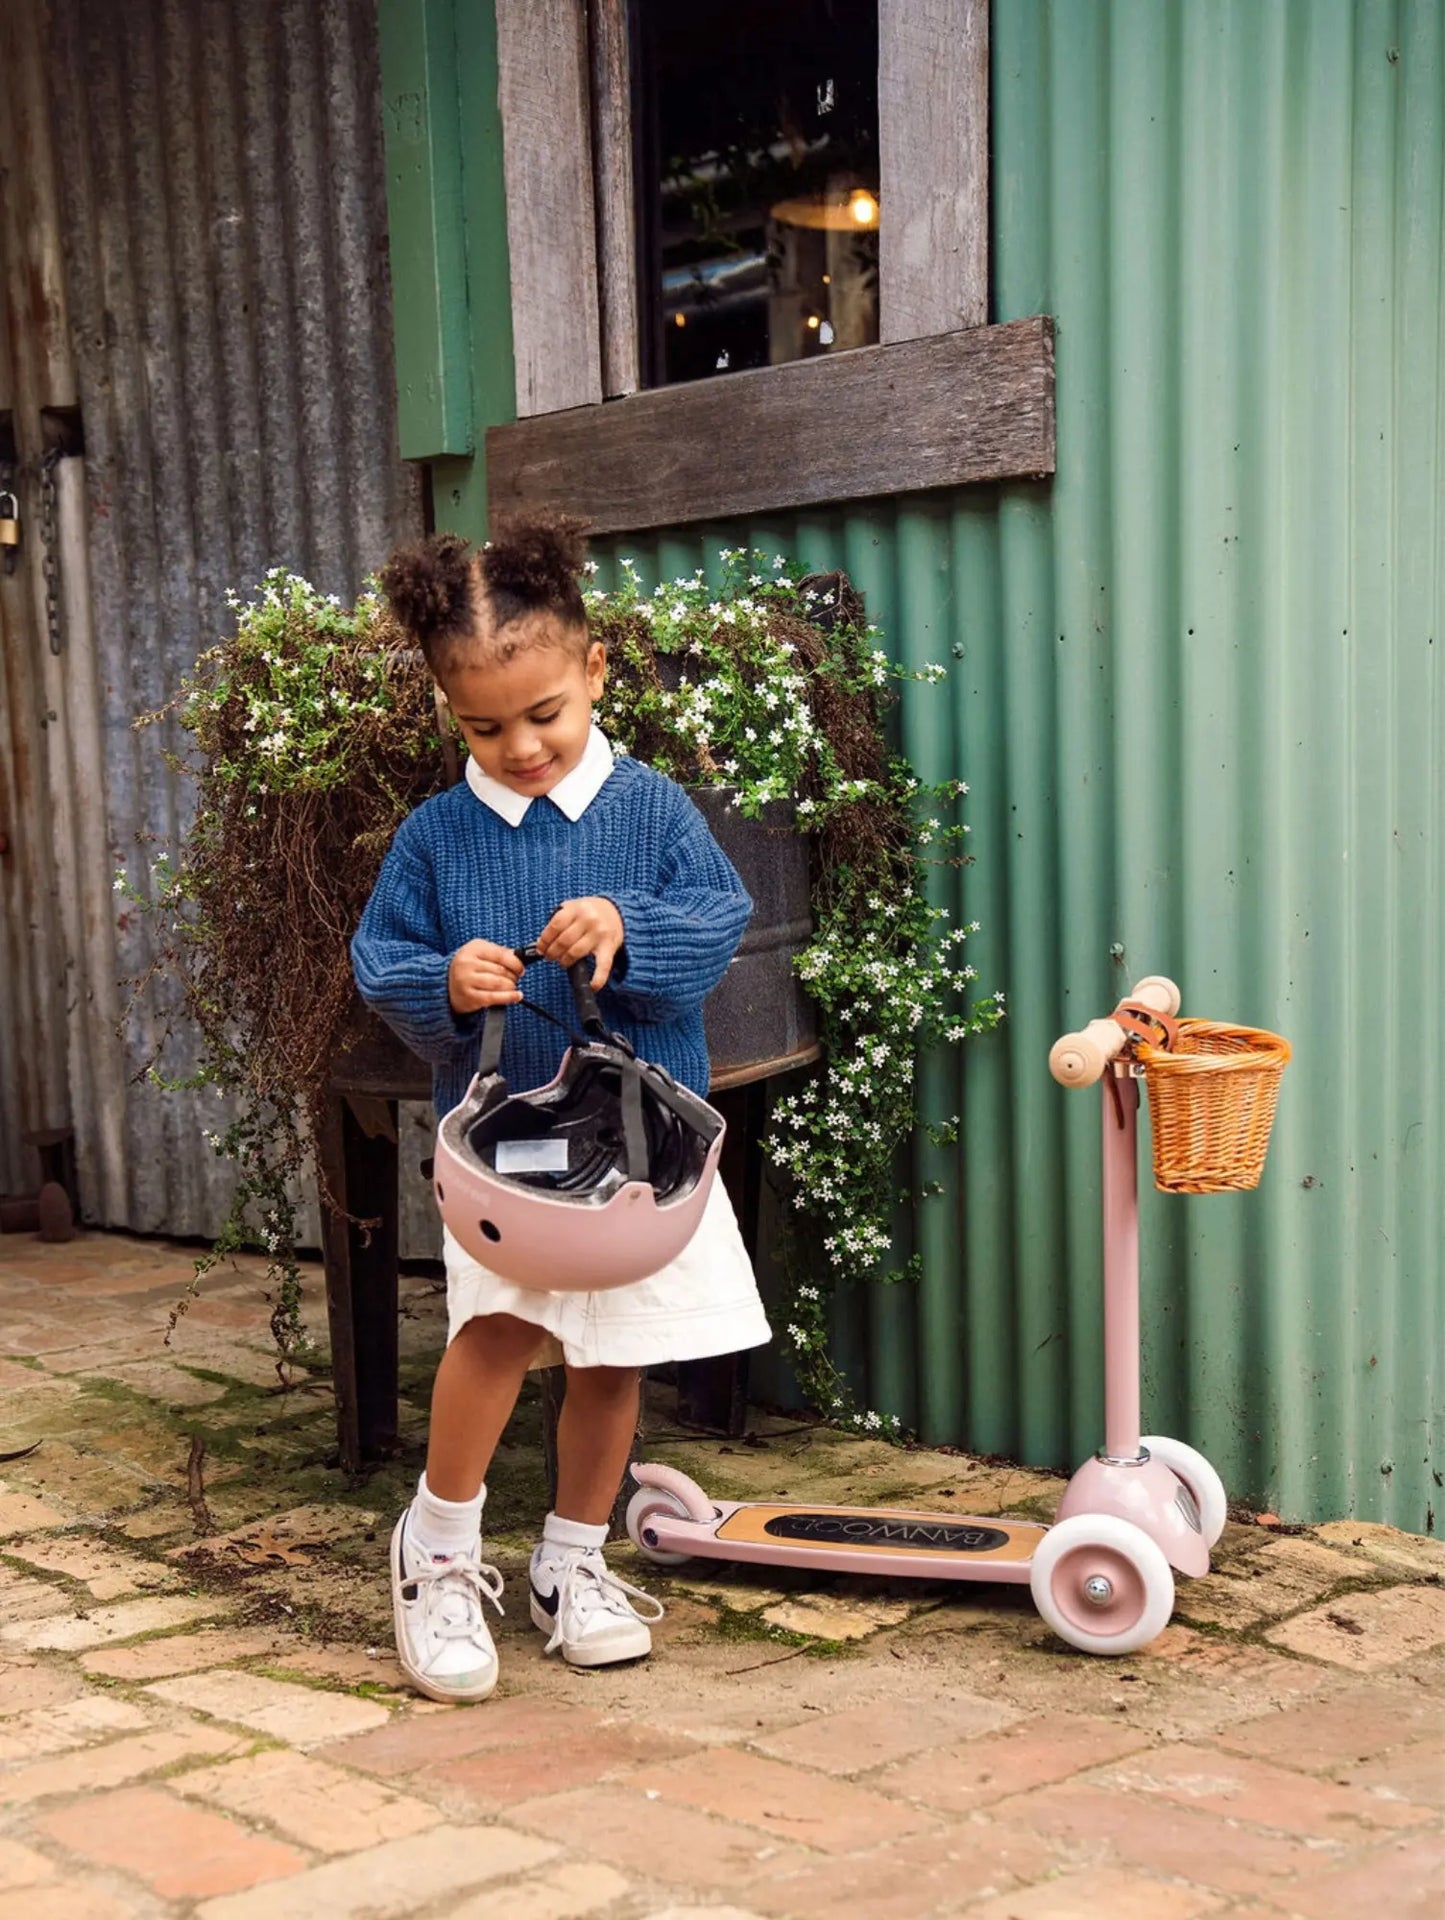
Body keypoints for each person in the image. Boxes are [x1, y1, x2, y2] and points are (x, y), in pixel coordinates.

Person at [351, 518, 770, 1703]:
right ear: (448, 710)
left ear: (593, 670)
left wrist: (628, 927)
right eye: (484, 726)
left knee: (613, 1358)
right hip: (503, 1159)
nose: (521, 745)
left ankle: (571, 1563)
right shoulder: (435, 837)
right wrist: (442, 980)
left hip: (635, 1150)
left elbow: (716, 920)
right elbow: (379, 953)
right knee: (501, 1334)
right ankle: (436, 1549)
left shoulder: (649, 810)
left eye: (542, 713)